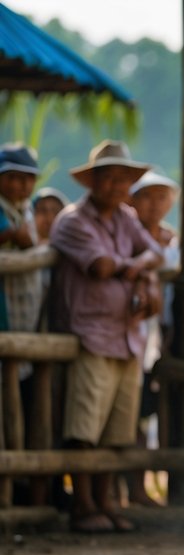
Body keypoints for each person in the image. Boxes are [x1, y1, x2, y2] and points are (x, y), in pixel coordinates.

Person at [48, 140, 164, 533]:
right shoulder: (73, 220)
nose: (117, 185)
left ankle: (105, 501)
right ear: (94, 181)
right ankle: (83, 506)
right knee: (84, 429)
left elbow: (154, 254)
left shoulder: (126, 218)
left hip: (127, 335)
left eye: (123, 178)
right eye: (110, 177)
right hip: (91, 333)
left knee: (116, 432)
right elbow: (100, 266)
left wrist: (139, 273)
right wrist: (137, 268)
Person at [126, 170, 181, 508]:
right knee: (133, 418)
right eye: (147, 196)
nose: (154, 203)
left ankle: (147, 487)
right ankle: (133, 488)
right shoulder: (126, 238)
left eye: (161, 197)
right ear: (133, 201)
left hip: (160, 340)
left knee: (152, 415)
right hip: (131, 337)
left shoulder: (173, 242)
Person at [0, 144, 43, 505]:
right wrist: (13, 237)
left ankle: (21, 492)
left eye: (27, 179)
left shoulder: (25, 211)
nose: (20, 185)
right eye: (12, 177)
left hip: (24, 323)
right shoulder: (6, 216)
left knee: (21, 409)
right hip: (5, 320)